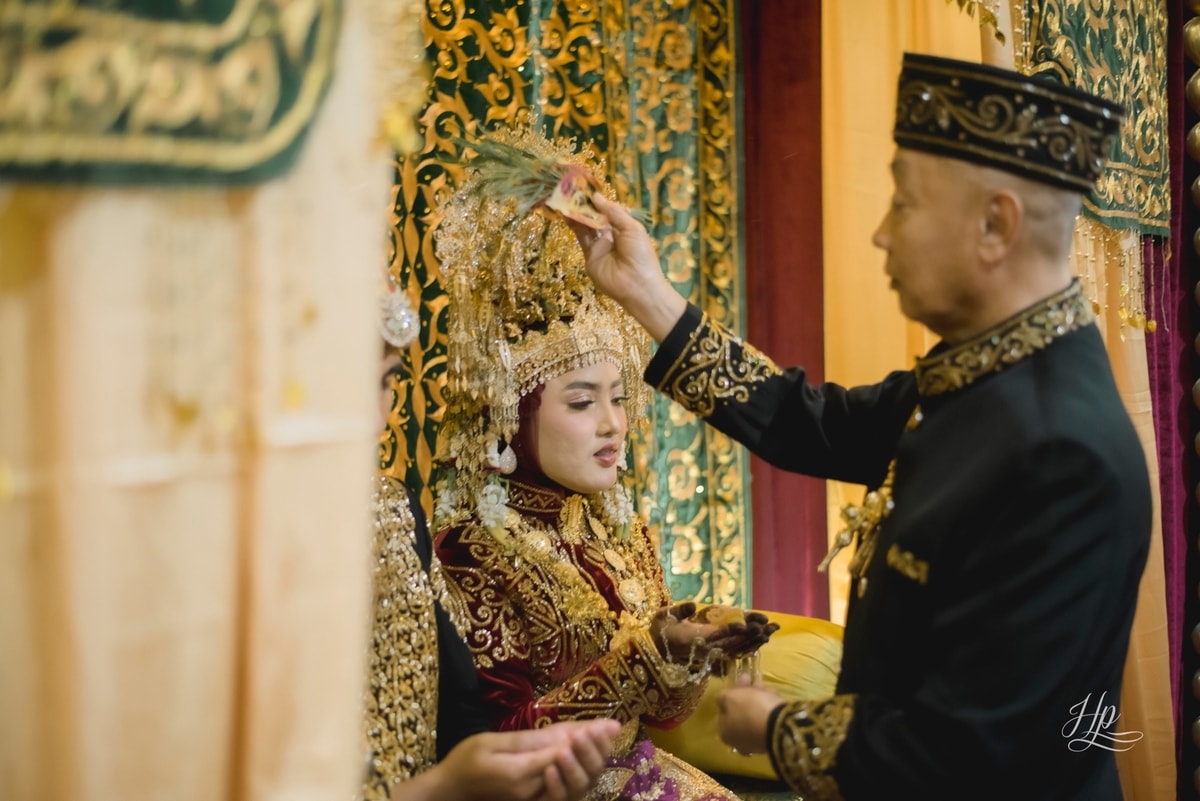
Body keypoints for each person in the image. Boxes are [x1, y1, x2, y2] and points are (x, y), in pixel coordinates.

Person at [571, 52, 1152, 801]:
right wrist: (648, 295)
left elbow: (982, 749)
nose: (881, 234)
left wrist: (781, 729)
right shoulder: (977, 380)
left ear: (995, 224)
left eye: (903, 205)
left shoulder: (1061, 452)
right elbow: (804, 420)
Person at [428, 127, 779, 801]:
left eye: (618, 397)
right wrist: (648, 657)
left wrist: (694, 648)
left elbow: (665, 715)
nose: (614, 423)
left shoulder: (613, 529)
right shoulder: (471, 551)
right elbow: (498, 750)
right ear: (515, 416)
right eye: (583, 401)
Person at [361, 290, 621, 801]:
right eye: (581, 401)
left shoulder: (394, 512)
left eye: (386, 382)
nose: (373, 419)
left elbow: (462, 723)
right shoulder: (472, 550)